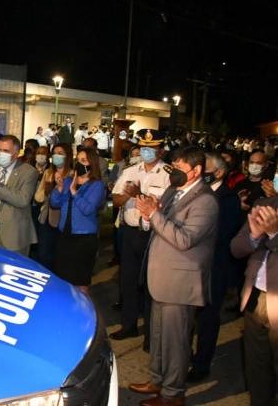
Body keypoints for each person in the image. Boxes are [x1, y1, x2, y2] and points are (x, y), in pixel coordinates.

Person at [129, 146, 218, 406]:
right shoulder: (173, 190)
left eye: (179, 167)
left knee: (176, 342)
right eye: (174, 166)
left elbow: (184, 239)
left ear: (196, 170)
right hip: (161, 277)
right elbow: (158, 226)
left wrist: (154, 214)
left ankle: (173, 394)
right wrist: (148, 214)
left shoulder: (205, 201)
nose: (174, 172)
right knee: (159, 337)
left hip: (181, 282)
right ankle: (157, 380)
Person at [110, 130, 170, 343]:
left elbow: (167, 208)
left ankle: (151, 335)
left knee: (150, 285)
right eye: (143, 147)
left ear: (160, 151)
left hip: (154, 234)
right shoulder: (130, 171)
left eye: (150, 148)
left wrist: (138, 194)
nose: (146, 151)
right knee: (128, 280)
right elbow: (115, 200)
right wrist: (127, 194)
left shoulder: (168, 174)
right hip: (129, 232)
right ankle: (129, 326)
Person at [189, 152, 241, 382]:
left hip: (214, 268)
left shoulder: (228, 198)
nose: (200, 172)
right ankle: (184, 356)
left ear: (219, 172)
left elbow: (223, 234)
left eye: (206, 168)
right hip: (190, 265)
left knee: (208, 319)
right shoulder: (195, 192)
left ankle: (202, 364)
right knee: (187, 316)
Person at [231, 199, 278, 406]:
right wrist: (254, 236)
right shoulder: (266, 205)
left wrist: (274, 234)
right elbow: (236, 248)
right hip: (255, 297)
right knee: (257, 367)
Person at [49, 147, 104, 292]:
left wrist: (74, 192)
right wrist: (59, 188)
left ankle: (82, 306)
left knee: (80, 283)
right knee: (62, 279)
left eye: (83, 160)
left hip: (83, 239)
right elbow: (54, 203)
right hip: (64, 235)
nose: (79, 163)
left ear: (92, 163)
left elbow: (88, 209)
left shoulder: (97, 185)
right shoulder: (68, 180)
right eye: (78, 160)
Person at [34, 143, 73, 269]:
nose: (57, 156)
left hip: (63, 220)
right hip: (46, 218)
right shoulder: (48, 173)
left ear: (68, 156)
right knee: (43, 254)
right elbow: (38, 197)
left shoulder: (72, 175)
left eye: (60, 153)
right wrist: (47, 191)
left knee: (59, 255)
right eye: (55, 153)